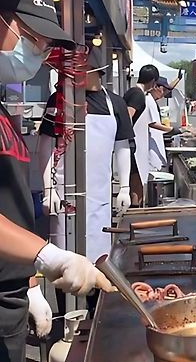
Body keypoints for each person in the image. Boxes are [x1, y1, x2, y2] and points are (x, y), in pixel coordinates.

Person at [0, 0, 113, 361]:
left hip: (9, 294)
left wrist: (27, 281)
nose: (41, 52)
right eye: (34, 38)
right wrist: (51, 257)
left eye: (45, 45)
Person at [39, 46, 134, 262]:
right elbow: (45, 146)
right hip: (64, 194)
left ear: (95, 70)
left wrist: (124, 187)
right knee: (64, 261)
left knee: (98, 260)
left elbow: (122, 146)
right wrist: (48, 189)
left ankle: (95, 296)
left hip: (99, 196)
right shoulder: (59, 100)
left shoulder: (116, 103)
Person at [123, 64, 159, 207]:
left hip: (128, 141)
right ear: (152, 80)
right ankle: (135, 208)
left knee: (134, 176)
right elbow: (128, 115)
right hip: (131, 142)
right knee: (136, 176)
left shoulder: (132, 91)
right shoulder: (138, 94)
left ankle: (134, 206)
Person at [147, 77, 181, 173]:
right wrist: (171, 130)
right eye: (163, 89)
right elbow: (152, 123)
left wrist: (178, 79)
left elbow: (168, 89)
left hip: (156, 143)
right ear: (155, 87)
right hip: (150, 147)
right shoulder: (148, 100)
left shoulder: (153, 100)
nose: (164, 93)